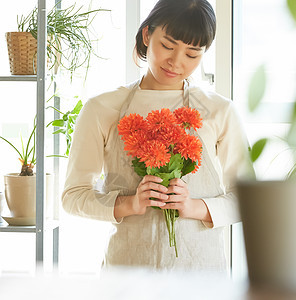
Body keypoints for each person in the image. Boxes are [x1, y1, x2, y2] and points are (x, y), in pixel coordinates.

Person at [62, 0, 253, 272]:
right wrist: (129, 203)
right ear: (147, 35)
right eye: (168, 45)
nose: (176, 62)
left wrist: (194, 207)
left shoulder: (219, 111)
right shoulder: (102, 108)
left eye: (192, 54)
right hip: (126, 276)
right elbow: (73, 196)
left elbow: (248, 199)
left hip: (200, 275)